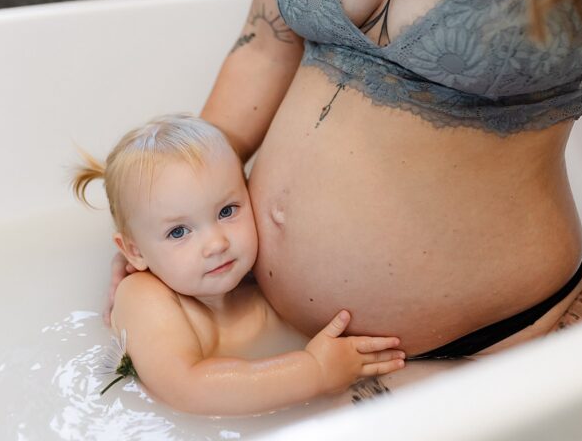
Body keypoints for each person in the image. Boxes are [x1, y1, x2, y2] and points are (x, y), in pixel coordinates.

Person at [98, 0, 582, 390]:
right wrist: (175, 219)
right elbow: (263, 46)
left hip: (476, 355)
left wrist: (561, 367)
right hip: (270, 327)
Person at [73, 114, 405, 415]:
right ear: (134, 251)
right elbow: (189, 390)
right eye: (178, 232)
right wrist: (314, 371)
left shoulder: (253, 279)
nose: (217, 243)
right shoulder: (144, 296)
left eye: (227, 211)